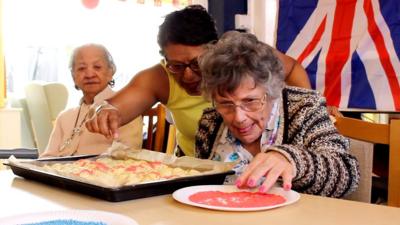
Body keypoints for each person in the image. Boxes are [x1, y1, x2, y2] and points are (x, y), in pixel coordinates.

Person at [85, 5, 311, 157]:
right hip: (200, 169)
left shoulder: (243, 60)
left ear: (215, 50)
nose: (188, 75)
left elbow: (292, 68)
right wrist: (104, 111)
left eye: (197, 63)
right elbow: (114, 107)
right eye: (176, 65)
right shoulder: (160, 79)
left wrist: (307, 109)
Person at [195, 31, 360, 197]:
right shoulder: (210, 122)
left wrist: (290, 159)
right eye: (225, 103)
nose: (239, 117)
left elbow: (347, 172)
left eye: (250, 101)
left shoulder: (304, 108)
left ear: (271, 91)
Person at [40, 44, 143, 158]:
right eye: (81, 68)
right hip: (59, 174)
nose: (89, 74)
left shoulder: (126, 109)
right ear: (73, 76)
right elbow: (46, 159)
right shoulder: (64, 117)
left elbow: (127, 157)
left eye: (97, 67)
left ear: (111, 71)